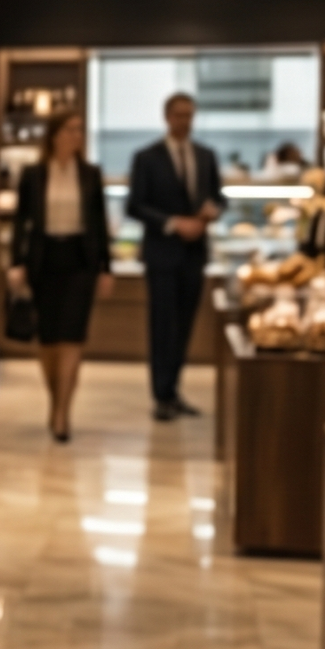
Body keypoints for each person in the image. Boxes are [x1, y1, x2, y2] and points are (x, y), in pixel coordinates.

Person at [7, 109, 112, 442]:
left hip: (80, 262)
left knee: (73, 338)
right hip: (44, 261)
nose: (76, 136)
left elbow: (100, 224)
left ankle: (63, 413)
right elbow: (21, 224)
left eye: (80, 130)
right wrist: (16, 263)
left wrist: (106, 268)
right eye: (70, 129)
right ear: (54, 135)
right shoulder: (34, 174)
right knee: (49, 339)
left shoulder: (90, 174)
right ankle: (56, 401)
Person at [127, 92, 225, 421]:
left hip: (195, 254)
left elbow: (218, 197)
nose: (185, 121)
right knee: (162, 325)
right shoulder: (147, 157)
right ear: (167, 117)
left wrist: (212, 212)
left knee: (184, 325)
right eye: (179, 115)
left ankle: (173, 390)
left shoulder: (206, 155)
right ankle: (160, 395)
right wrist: (173, 223)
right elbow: (135, 205)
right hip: (162, 253)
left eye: (190, 116)